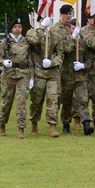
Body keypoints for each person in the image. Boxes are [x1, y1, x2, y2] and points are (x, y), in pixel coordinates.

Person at [26, 9, 67, 138]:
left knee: (53, 99)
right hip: (38, 74)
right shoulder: (32, 33)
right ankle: (34, 123)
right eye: (41, 20)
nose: (44, 22)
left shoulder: (56, 37)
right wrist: (42, 28)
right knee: (36, 101)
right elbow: (34, 41)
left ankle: (52, 126)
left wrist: (52, 62)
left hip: (52, 75)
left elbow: (60, 55)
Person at [0, 18, 31, 138]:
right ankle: (2, 124)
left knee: (21, 102)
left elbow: (30, 59)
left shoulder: (26, 42)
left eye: (19, 27)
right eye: (15, 26)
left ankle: (21, 128)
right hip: (9, 74)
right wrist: (4, 62)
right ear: (11, 28)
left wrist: (31, 77)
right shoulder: (5, 42)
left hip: (23, 73)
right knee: (7, 101)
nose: (17, 29)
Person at [59, 14, 93, 135]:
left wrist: (83, 65)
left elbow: (90, 58)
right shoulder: (65, 40)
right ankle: (66, 123)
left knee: (83, 100)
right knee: (67, 102)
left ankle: (86, 124)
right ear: (69, 29)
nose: (75, 30)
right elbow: (66, 50)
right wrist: (73, 38)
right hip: (67, 77)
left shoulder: (83, 42)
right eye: (73, 28)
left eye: (76, 28)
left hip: (81, 77)